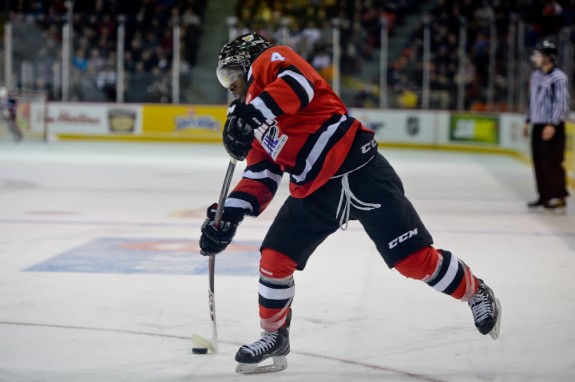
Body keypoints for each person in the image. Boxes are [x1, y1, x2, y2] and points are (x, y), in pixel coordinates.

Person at [200, 33, 502, 374]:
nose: (231, 86)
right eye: (225, 80)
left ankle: (476, 292)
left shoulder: (272, 60)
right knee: (274, 259)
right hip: (313, 191)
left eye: (232, 75)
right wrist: (229, 215)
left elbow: (299, 86)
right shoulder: (245, 117)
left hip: (360, 170)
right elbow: (261, 175)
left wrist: (251, 114)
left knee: (413, 262)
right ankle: (274, 336)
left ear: (248, 61)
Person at [524, 40, 570, 212]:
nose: (534, 58)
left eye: (538, 55)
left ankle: (559, 197)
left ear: (548, 57)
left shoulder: (558, 78)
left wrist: (552, 124)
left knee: (552, 162)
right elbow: (532, 101)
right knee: (539, 162)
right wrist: (527, 120)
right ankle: (544, 196)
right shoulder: (536, 76)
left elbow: (562, 104)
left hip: (552, 126)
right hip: (537, 124)